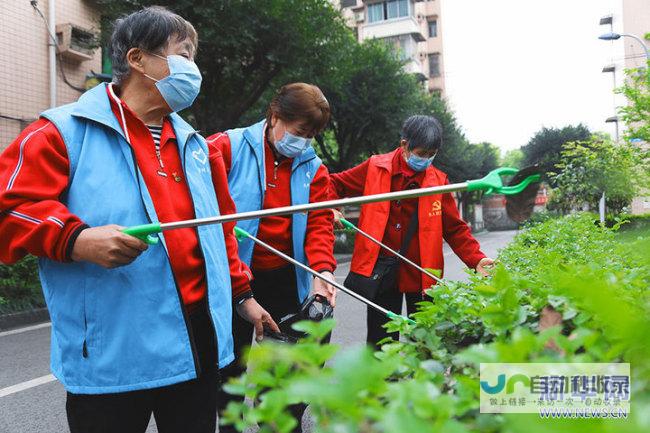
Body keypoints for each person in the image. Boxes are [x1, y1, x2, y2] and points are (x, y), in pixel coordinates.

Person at [0, 7, 277, 433]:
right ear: (136, 58)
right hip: (114, 350)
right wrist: (76, 239)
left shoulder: (196, 147)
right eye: (184, 54)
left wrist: (243, 297)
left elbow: (220, 229)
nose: (193, 69)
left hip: (198, 341)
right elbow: (8, 208)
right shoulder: (62, 132)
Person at [207, 83, 336, 432]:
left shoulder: (313, 168)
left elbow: (320, 222)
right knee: (229, 367)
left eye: (311, 136)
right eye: (299, 132)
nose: (303, 142)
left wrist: (322, 271)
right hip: (235, 276)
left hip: (283, 279)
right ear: (275, 116)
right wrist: (239, 291)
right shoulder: (227, 147)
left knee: (285, 367)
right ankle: (230, 426)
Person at [329, 115, 495, 348]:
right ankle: (381, 383)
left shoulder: (439, 182)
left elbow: (455, 229)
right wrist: (332, 209)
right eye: (421, 153)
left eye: (431, 154)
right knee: (381, 342)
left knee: (426, 341)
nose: (425, 160)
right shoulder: (376, 167)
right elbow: (333, 183)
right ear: (404, 145)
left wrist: (476, 260)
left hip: (422, 273)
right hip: (382, 270)